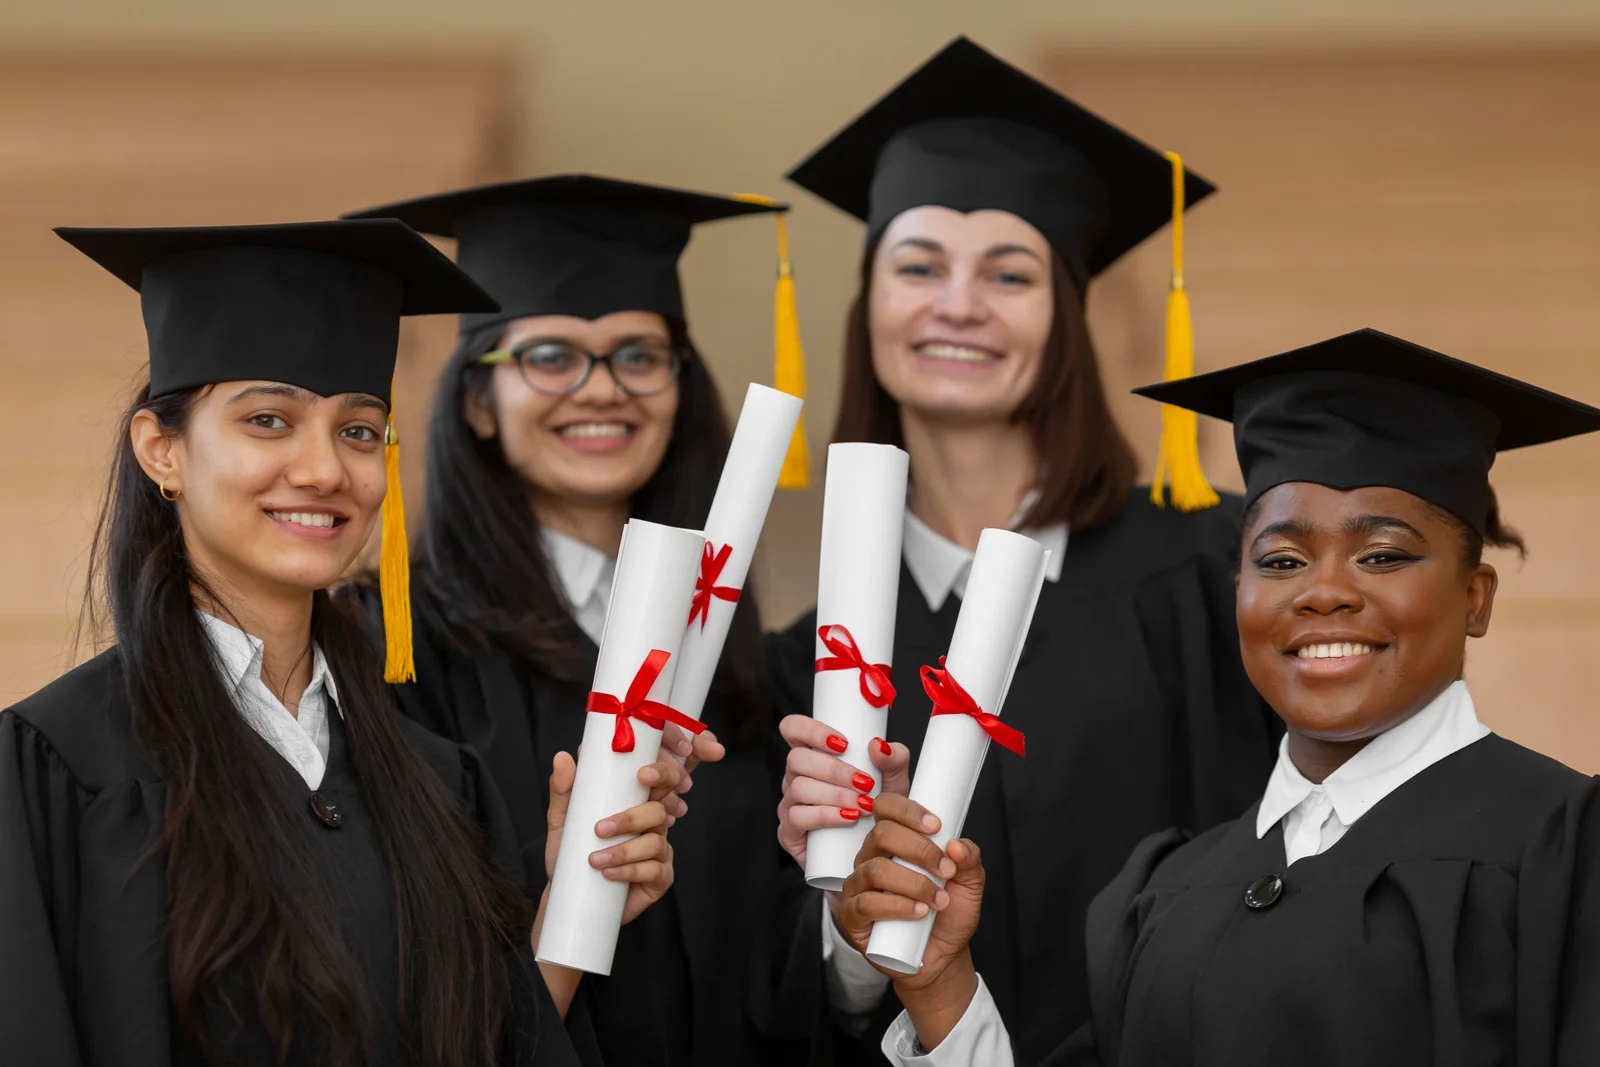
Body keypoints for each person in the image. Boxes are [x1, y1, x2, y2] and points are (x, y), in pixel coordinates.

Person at [0, 220, 686, 1066]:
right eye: (268, 420)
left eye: (359, 430)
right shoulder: (58, 767)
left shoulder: (437, 779)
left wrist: (575, 900)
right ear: (162, 450)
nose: (325, 470)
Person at [842, 328, 1600, 1065]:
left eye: (1381, 555)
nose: (1324, 591)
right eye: (1282, 560)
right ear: (1237, 591)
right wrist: (942, 987)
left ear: (1474, 597)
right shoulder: (1158, 892)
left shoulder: (1568, 849)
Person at [766, 36, 1280, 1060]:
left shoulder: (1212, 569)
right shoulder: (804, 661)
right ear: (870, 305)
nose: (957, 303)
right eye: (918, 266)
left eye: (1009, 273)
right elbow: (773, 1002)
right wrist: (856, 925)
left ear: (1066, 318)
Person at [340, 177, 821, 1065]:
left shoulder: (743, 660)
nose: (602, 390)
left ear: (680, 388)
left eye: (639, 354)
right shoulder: (394, 653)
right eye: (551, 355)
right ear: (478, 401)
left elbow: (776, 956)